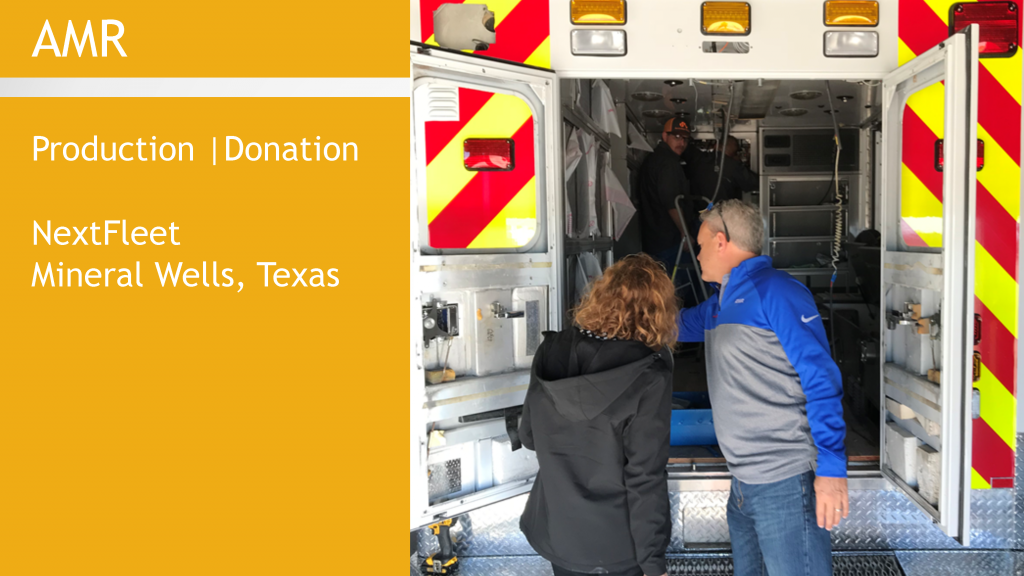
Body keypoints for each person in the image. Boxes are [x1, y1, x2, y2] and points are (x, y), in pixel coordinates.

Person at [677, 200, 847, 576]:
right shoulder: (722, 299)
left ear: (721, 242)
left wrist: (832, 469)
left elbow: (821, 378)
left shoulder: (777, 292)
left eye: (702, 245)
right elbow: (675, 326)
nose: (699, 254)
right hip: (742, 486)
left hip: (785, 483)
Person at [519, 254, 676, 576]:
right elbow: (645, 477)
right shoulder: (649, 376)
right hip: (618, 545)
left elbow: (529, 437)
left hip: (558, 535)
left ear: (599, 296)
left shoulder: (551, 349)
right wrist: (653, 562)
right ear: (659, 311)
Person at [636, 118, 694, 274]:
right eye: (677, 137)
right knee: (682, 291)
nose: (682, 143)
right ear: (664, 136)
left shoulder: (653, 159)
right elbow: (671, 200)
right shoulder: (668, 163)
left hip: (654, 240)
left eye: (685, 139)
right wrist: (685, 233)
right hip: (670, 241)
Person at [683, 135, 759, 205]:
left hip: (697, 213)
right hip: (721, 214)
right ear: (735, 153)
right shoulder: (733, 166)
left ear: (716, 146)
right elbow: (755, 183)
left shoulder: (698, 158)